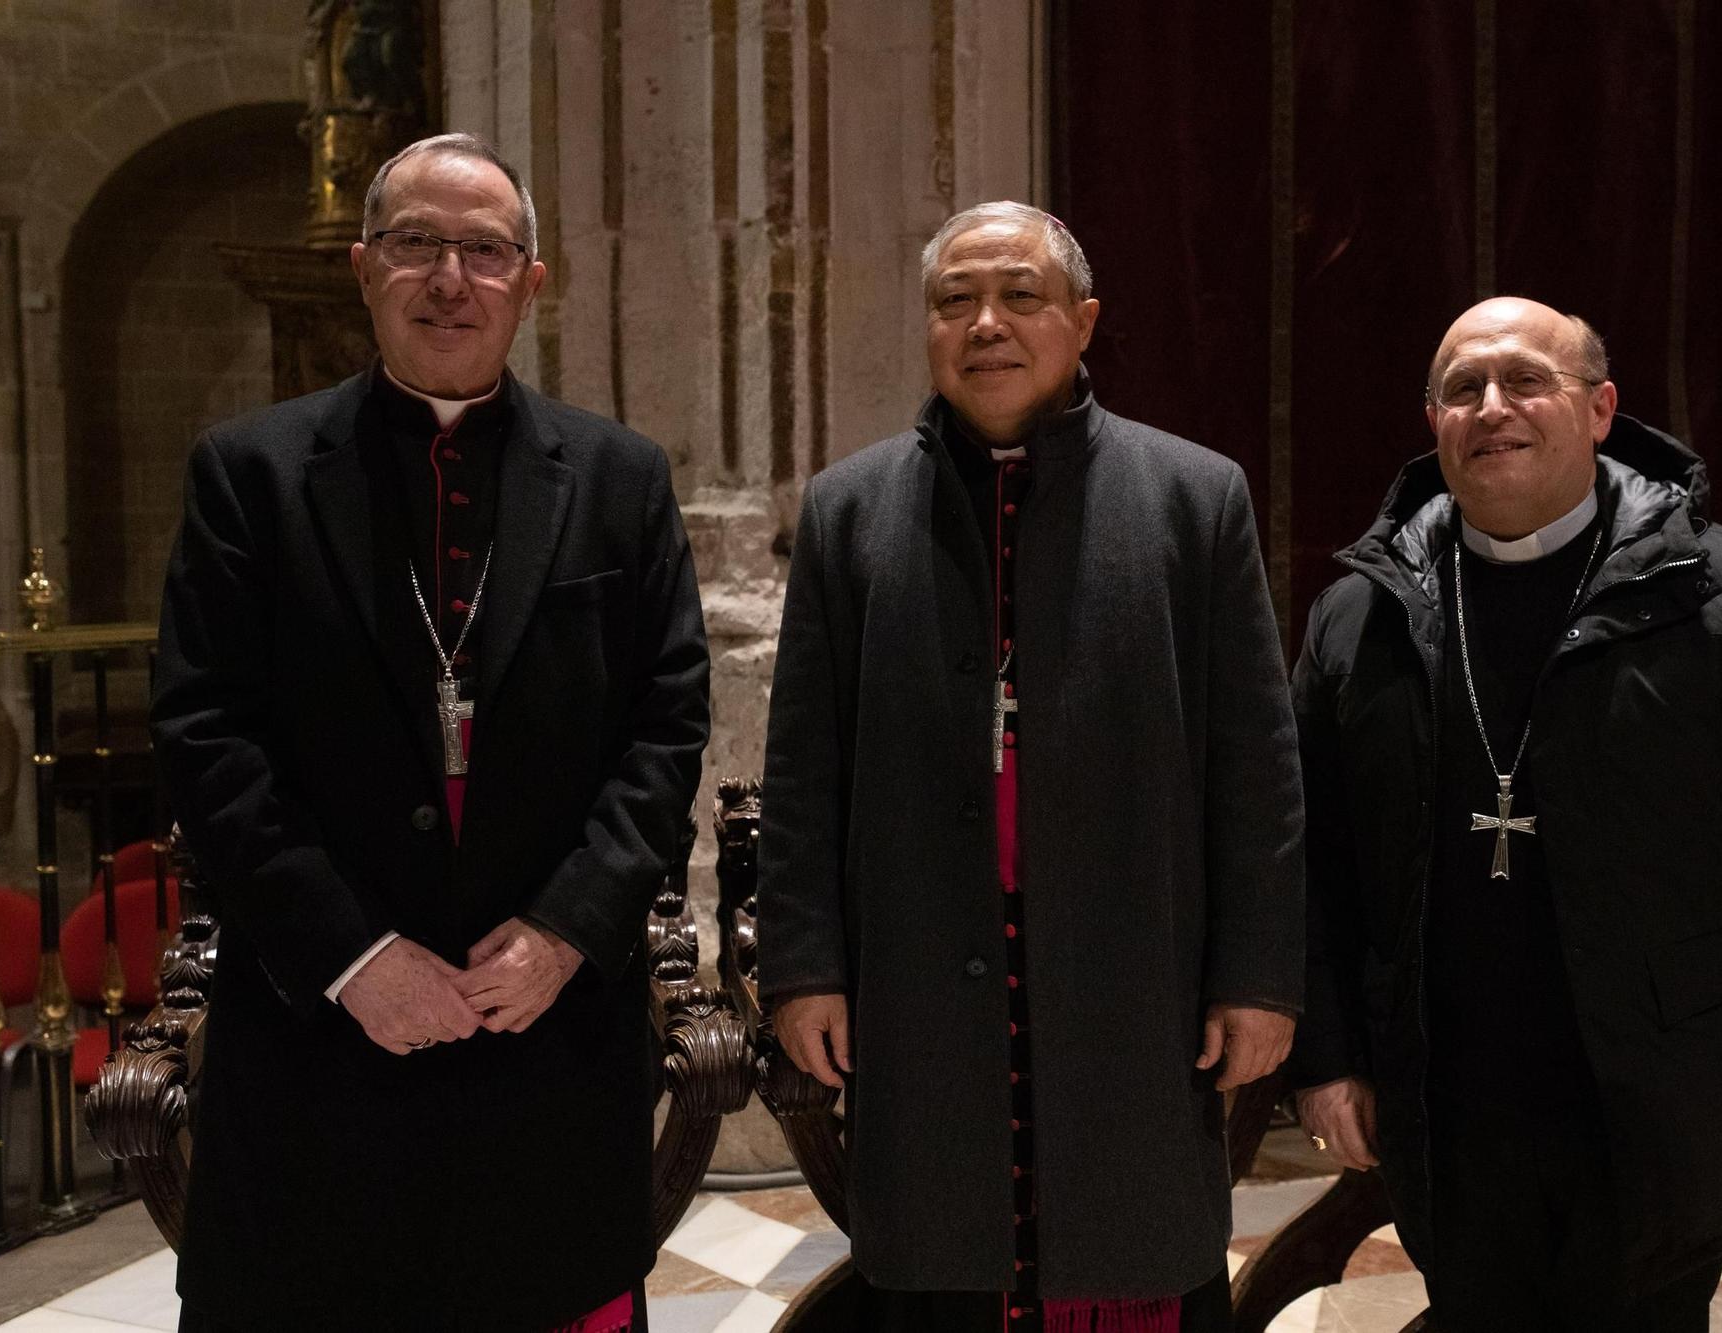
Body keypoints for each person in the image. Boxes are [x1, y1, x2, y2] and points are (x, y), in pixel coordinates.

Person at [152, 133, 709, 1332]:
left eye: (485, 250)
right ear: (363, 269)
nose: (450, 277)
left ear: (530, 281)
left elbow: (666, 730)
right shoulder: (251, 474)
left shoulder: (618, 479)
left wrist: (567, 931)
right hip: (322, 1042)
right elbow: (206, 736)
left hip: (543, 1037)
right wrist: (352, 957)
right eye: (415, 244)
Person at [1288, 296, 1722, 1328]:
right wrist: (1326, 1055)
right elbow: (1305, 854)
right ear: (1430, 420)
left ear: (1600, 408)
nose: (1490, 406)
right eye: (1460, 388)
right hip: (1448, 1094)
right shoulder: (1363, 614)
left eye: (1525, 380)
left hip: (1657, 1092)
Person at [757, 201, 1304, 1331]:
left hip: (1130, 960)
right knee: (935, 1264)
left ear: (1083, 321)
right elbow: (803, 766)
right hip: (921, 963)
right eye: (954, 300)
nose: (985, 324)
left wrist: (1257, 974)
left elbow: (1256, 762)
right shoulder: (849, 510)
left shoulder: (1192, 497)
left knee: (1129, 1244)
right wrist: (802, 962)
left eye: (1020, 296)